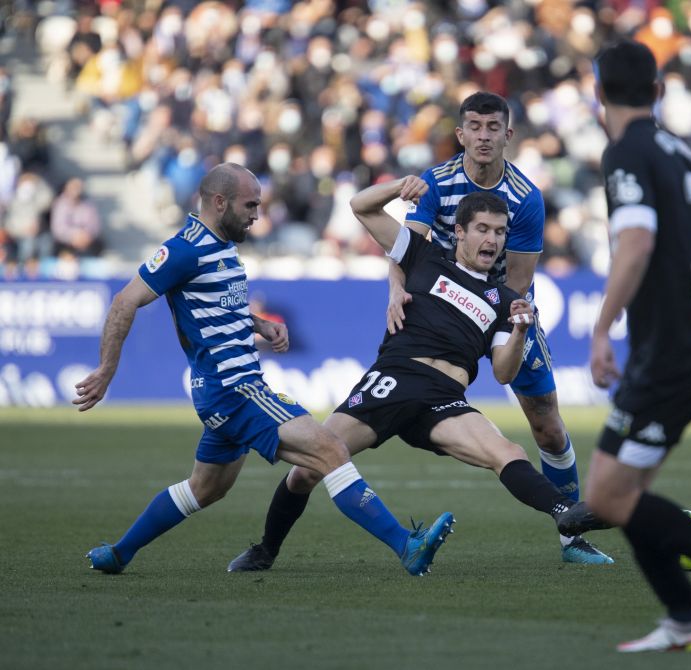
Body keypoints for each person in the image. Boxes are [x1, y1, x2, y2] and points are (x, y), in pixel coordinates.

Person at [75, 163, 454, 577]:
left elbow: (214, 306)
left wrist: (258, 324)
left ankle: (119, 553)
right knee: (330, 450)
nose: (258, 214)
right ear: (219, 202)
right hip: (234, 388)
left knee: (206, 488)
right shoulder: (183, 249)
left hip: (224, 391)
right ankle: (406, 545)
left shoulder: (220, 244)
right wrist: (106, 370)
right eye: (250, 204)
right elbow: (124, 302)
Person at [227, 179, 610, 572]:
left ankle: (566, 511)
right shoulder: (426, 257)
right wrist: (399, 187)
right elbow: (361, 206)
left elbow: (502, 372)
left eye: (499, 232)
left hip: (444, 398)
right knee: (307, 469)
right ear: (460, 231)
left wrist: (520, 332)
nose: (492, 239)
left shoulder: (505, 301)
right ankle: (265, 550)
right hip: (394, 380)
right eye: (482, 229)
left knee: (508, 452)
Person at [557, 40, 691, 652]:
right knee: (628, 495)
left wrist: (602, 330)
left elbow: (635, 244)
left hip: (670, 354)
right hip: (690, 346)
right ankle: (686, 621)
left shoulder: (624, 153)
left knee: (605, 496)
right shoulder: (679, 154)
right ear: (657, 92)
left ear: (597, 92)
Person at [388, 91, 609, 564]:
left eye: (493, 128)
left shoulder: (526, 198)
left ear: (508, 134)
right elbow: (404, 248)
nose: (484, 137)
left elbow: (517, 282)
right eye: (475, 126)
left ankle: (572, 537)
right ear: (460, 133)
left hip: (500, 309)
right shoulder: (434, 183)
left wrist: (501, 333)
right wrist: (394, 290)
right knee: (392, 401)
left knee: (547, 426)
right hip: (437, 314)